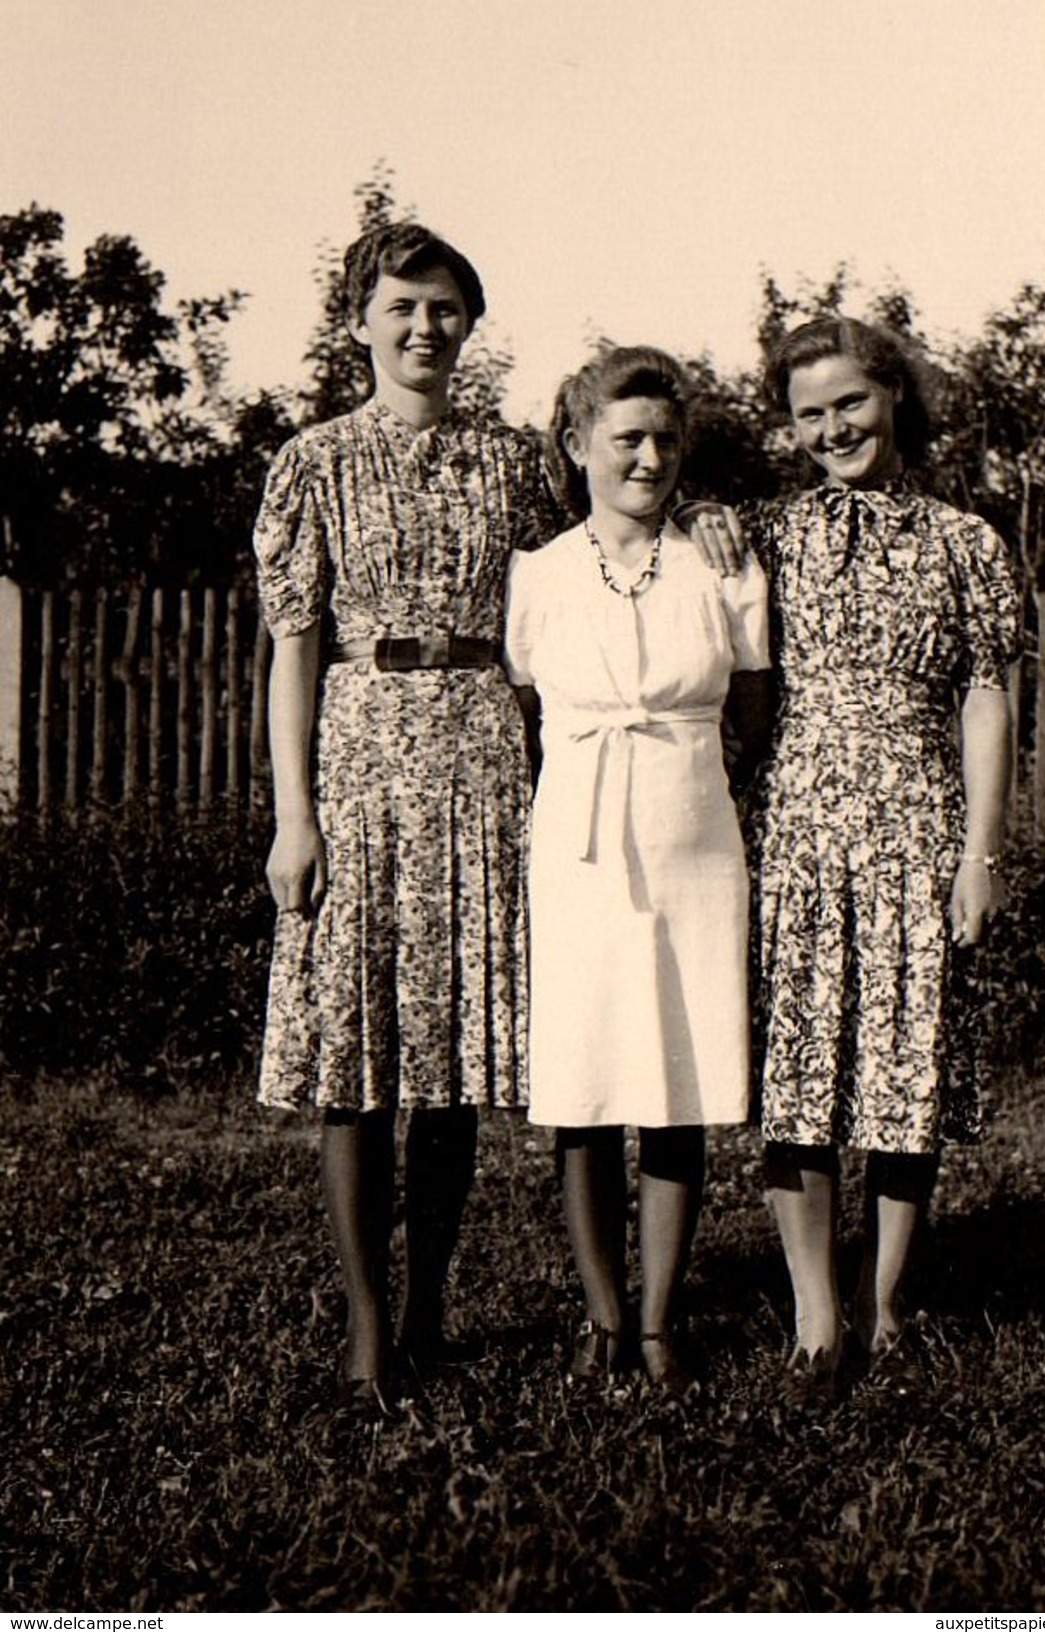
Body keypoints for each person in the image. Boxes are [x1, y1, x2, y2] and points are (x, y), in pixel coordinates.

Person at [253, 221, 555, 1419]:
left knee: (448, 1059)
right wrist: (295, 815)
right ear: (358, 322)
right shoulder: (312, 462)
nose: (423, 329)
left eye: (444, 308)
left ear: (467, 324)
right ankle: (370, 1328)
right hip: (359, 757)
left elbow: (586, 583)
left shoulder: (516, 461)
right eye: (401, 308)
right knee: (355, 1050)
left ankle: (433, 1302)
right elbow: (290, 652)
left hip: (483, 748)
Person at [694, 317, 1021, 1401]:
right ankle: (813, 1317)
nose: (832, 427)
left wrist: (978, 853)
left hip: (917, 824)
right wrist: (701, 518)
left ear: (893, 396)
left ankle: (881, 1304)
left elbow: (984, 695)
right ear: (786, 429)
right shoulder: (768, 536)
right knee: (799, 1075)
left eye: (849, 403)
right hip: (794, 824)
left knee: (902, 1072)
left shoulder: (965, 542)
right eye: (808, 413)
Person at [504, 347, 770, 1394]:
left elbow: (753, 709)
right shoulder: (537, 575)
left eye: (664, 438)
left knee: (675, 1076)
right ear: (577, 449)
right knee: (582, 1080)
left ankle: (658, 1319)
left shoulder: (720, 561)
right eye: (625, 439)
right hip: (576, 835)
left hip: (692, 834)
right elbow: (526, 710)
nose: (648, 457)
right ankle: (600, 1313)